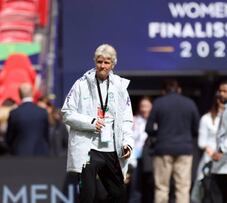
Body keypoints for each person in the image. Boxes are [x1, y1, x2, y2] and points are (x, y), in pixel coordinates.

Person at [61, 44, 134, 203]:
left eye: (107, 62)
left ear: (113, 64)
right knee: (88, 196)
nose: (102, 66)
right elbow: (66, 113)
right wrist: (90, 122)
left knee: (119, 195)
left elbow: (127, 119)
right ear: (95, 62)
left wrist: (127, 143)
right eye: (99, 62)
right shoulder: (81, 84)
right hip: (89, 148)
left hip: (112, 148)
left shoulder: (120, 87)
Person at [145, 79, 200, 203]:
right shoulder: (189, 103)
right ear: (179, 89)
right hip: (184, 149)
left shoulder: (159, 103)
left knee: (161, 187)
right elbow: (196, 129)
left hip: (162, 148)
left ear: (164, 91)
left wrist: (159, 135)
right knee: (183, 188)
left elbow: (148, 128)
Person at [191, 96, 223, 203]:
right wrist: (213, 154)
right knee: (206, 188)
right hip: (209, 159)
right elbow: (201, 142)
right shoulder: (206, 118)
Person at [6, 83, 49, 156]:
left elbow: (9, 137)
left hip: (19, 154)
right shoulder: (42, 112)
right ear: (32, 93)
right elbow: (46, 134)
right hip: (40, 153)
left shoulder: (14, 113)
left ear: (19, 94)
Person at [128, 96, 153, 203]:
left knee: (150, 186)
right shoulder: (134, 120)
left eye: (147, 106)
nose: (144, 109)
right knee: (136, 186)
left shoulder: (156, 120)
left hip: (151, 158)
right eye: (142, 106)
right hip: (136, 158)